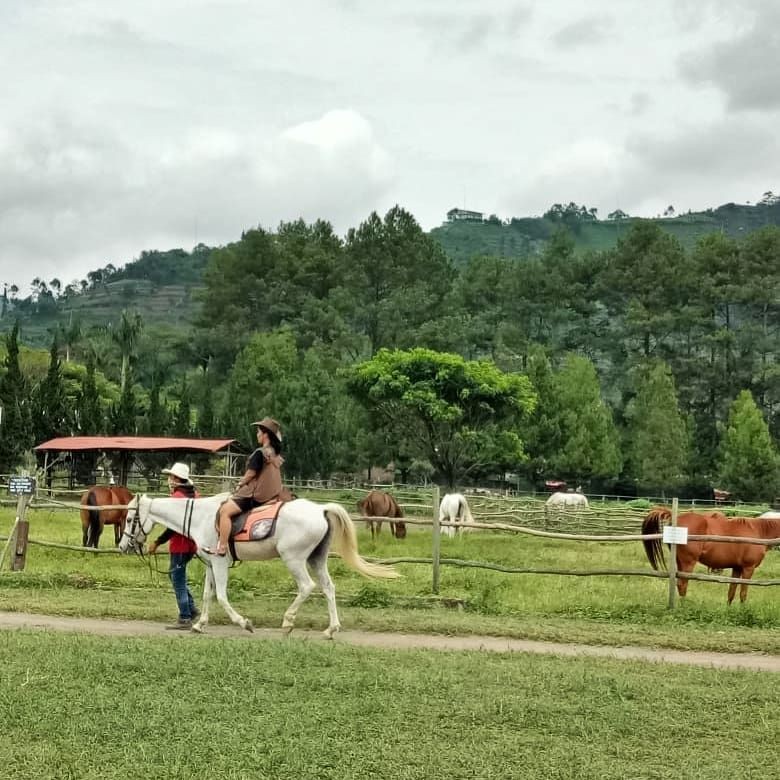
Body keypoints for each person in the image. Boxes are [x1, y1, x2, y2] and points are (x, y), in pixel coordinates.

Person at [207, 417, 283, 556]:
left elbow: (250, 474)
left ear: (265, 434)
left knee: (225, 511)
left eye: (258, 432)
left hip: (257, 495)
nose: (257, 434)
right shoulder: (275, 454)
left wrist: (240, 484)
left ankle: (222, 547)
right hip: (274, 494)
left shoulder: (260, 452)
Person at [147, 462, 201, 630]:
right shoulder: (195, 496)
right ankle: (191, 609)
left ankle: (185, 617)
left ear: (178, 479)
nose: (169, 480)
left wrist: (157, 542)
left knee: (177, 579)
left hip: (180, 545)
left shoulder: (177, 499)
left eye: (171, 477)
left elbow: (172, 527)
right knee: (176, 576)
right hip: (192, 544)